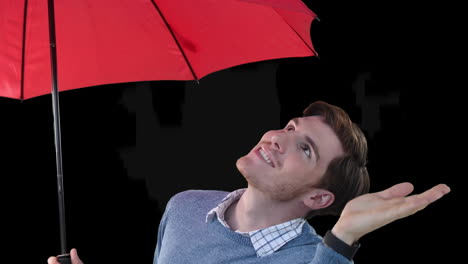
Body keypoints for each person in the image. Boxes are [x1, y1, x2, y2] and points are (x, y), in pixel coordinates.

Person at [48, 101, 450, 264]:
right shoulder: (184, 206)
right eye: (291, 127)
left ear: (318, 196)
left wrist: (342, 238)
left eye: (305, 149)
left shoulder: (314, 258)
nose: (277, 136)